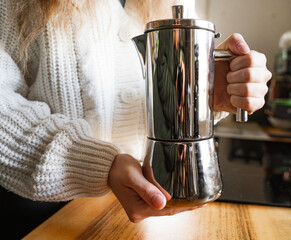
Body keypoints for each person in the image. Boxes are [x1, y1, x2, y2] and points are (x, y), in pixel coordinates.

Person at [0, 0, 271, 224]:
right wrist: (96, 166)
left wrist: (210, 93)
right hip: (47, 218)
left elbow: (177, 88)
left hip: (157, 213)